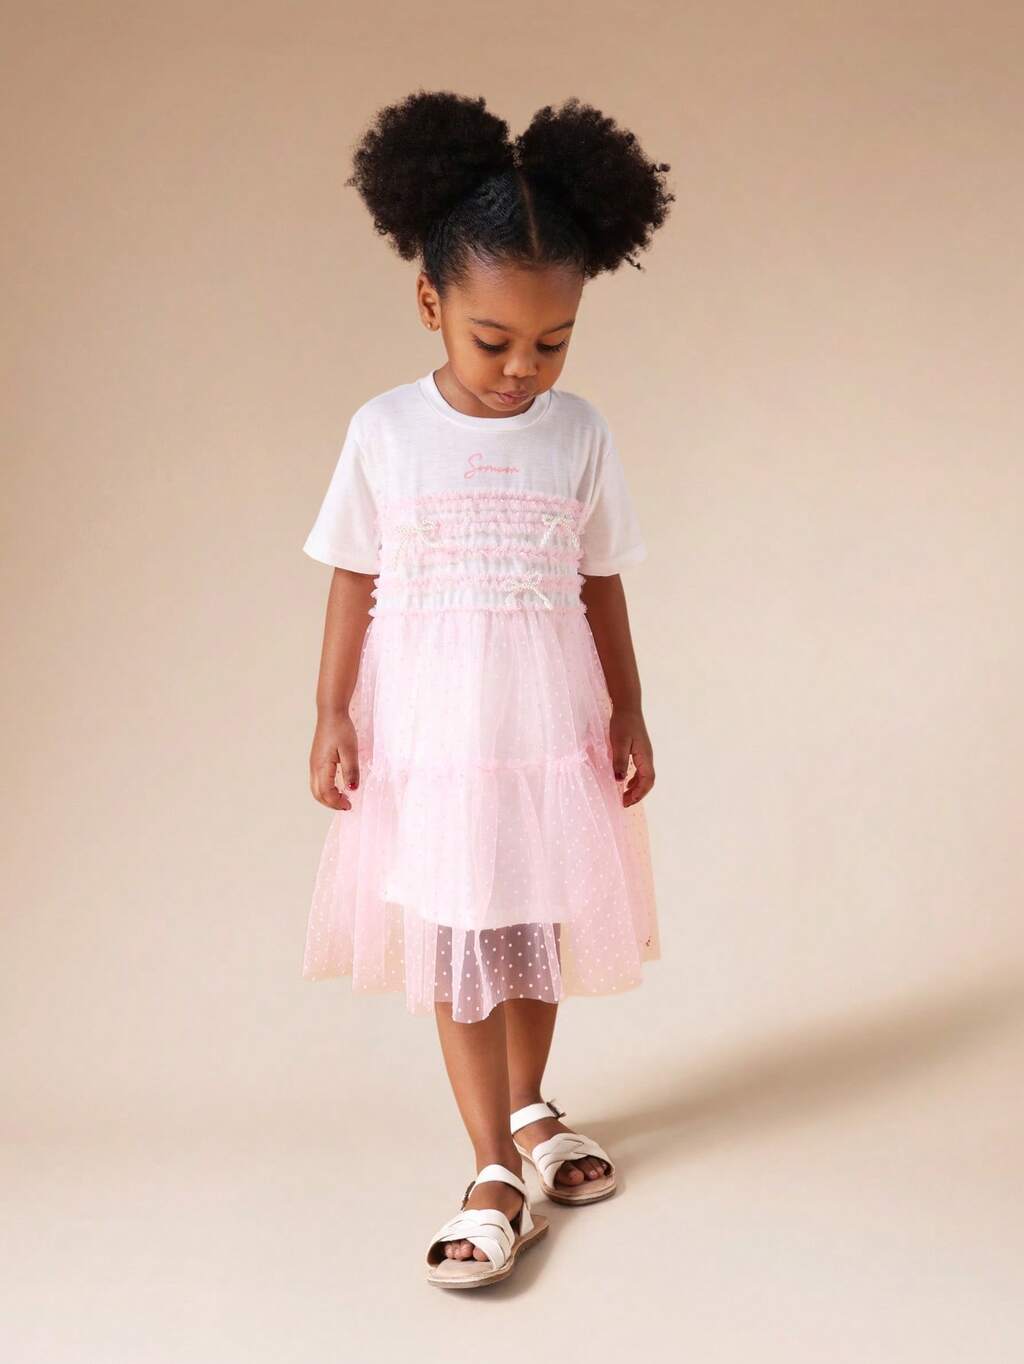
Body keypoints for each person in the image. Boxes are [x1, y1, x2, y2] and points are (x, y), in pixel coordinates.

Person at [301, 91, 674, 1288]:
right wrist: (332, 711)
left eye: (551, 342)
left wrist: (627, 707)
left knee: (532, 924)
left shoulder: (579, 434)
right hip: (433, 730)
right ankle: (492, 1166)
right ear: (430, 304)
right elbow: (354, 574)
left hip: (544, 722)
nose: (523, 368)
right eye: (493, 339)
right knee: (459, 925)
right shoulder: (385, 430)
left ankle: (527, 1103)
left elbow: (600, 581)